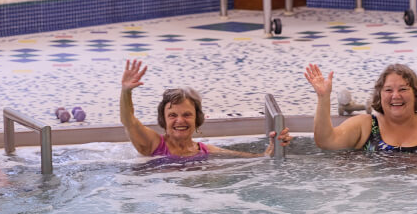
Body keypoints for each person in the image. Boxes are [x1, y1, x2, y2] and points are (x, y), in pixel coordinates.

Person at [120, 59, 290, 160]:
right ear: (163, 120)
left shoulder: (206, 151)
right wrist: (126, 91)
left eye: (187, 114)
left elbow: (256, 160)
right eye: (172, 115)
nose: (180, 120)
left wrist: (273, 148)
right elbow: (129, 121)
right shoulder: (153, 144)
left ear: (197, 119)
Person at [304, 62, 417, 154]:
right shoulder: (365, 126)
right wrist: (323, 97)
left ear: (416, 94)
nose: (395, 96)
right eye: (388, 90)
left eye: (403, 89)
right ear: (379, 95)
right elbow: (326, 142)